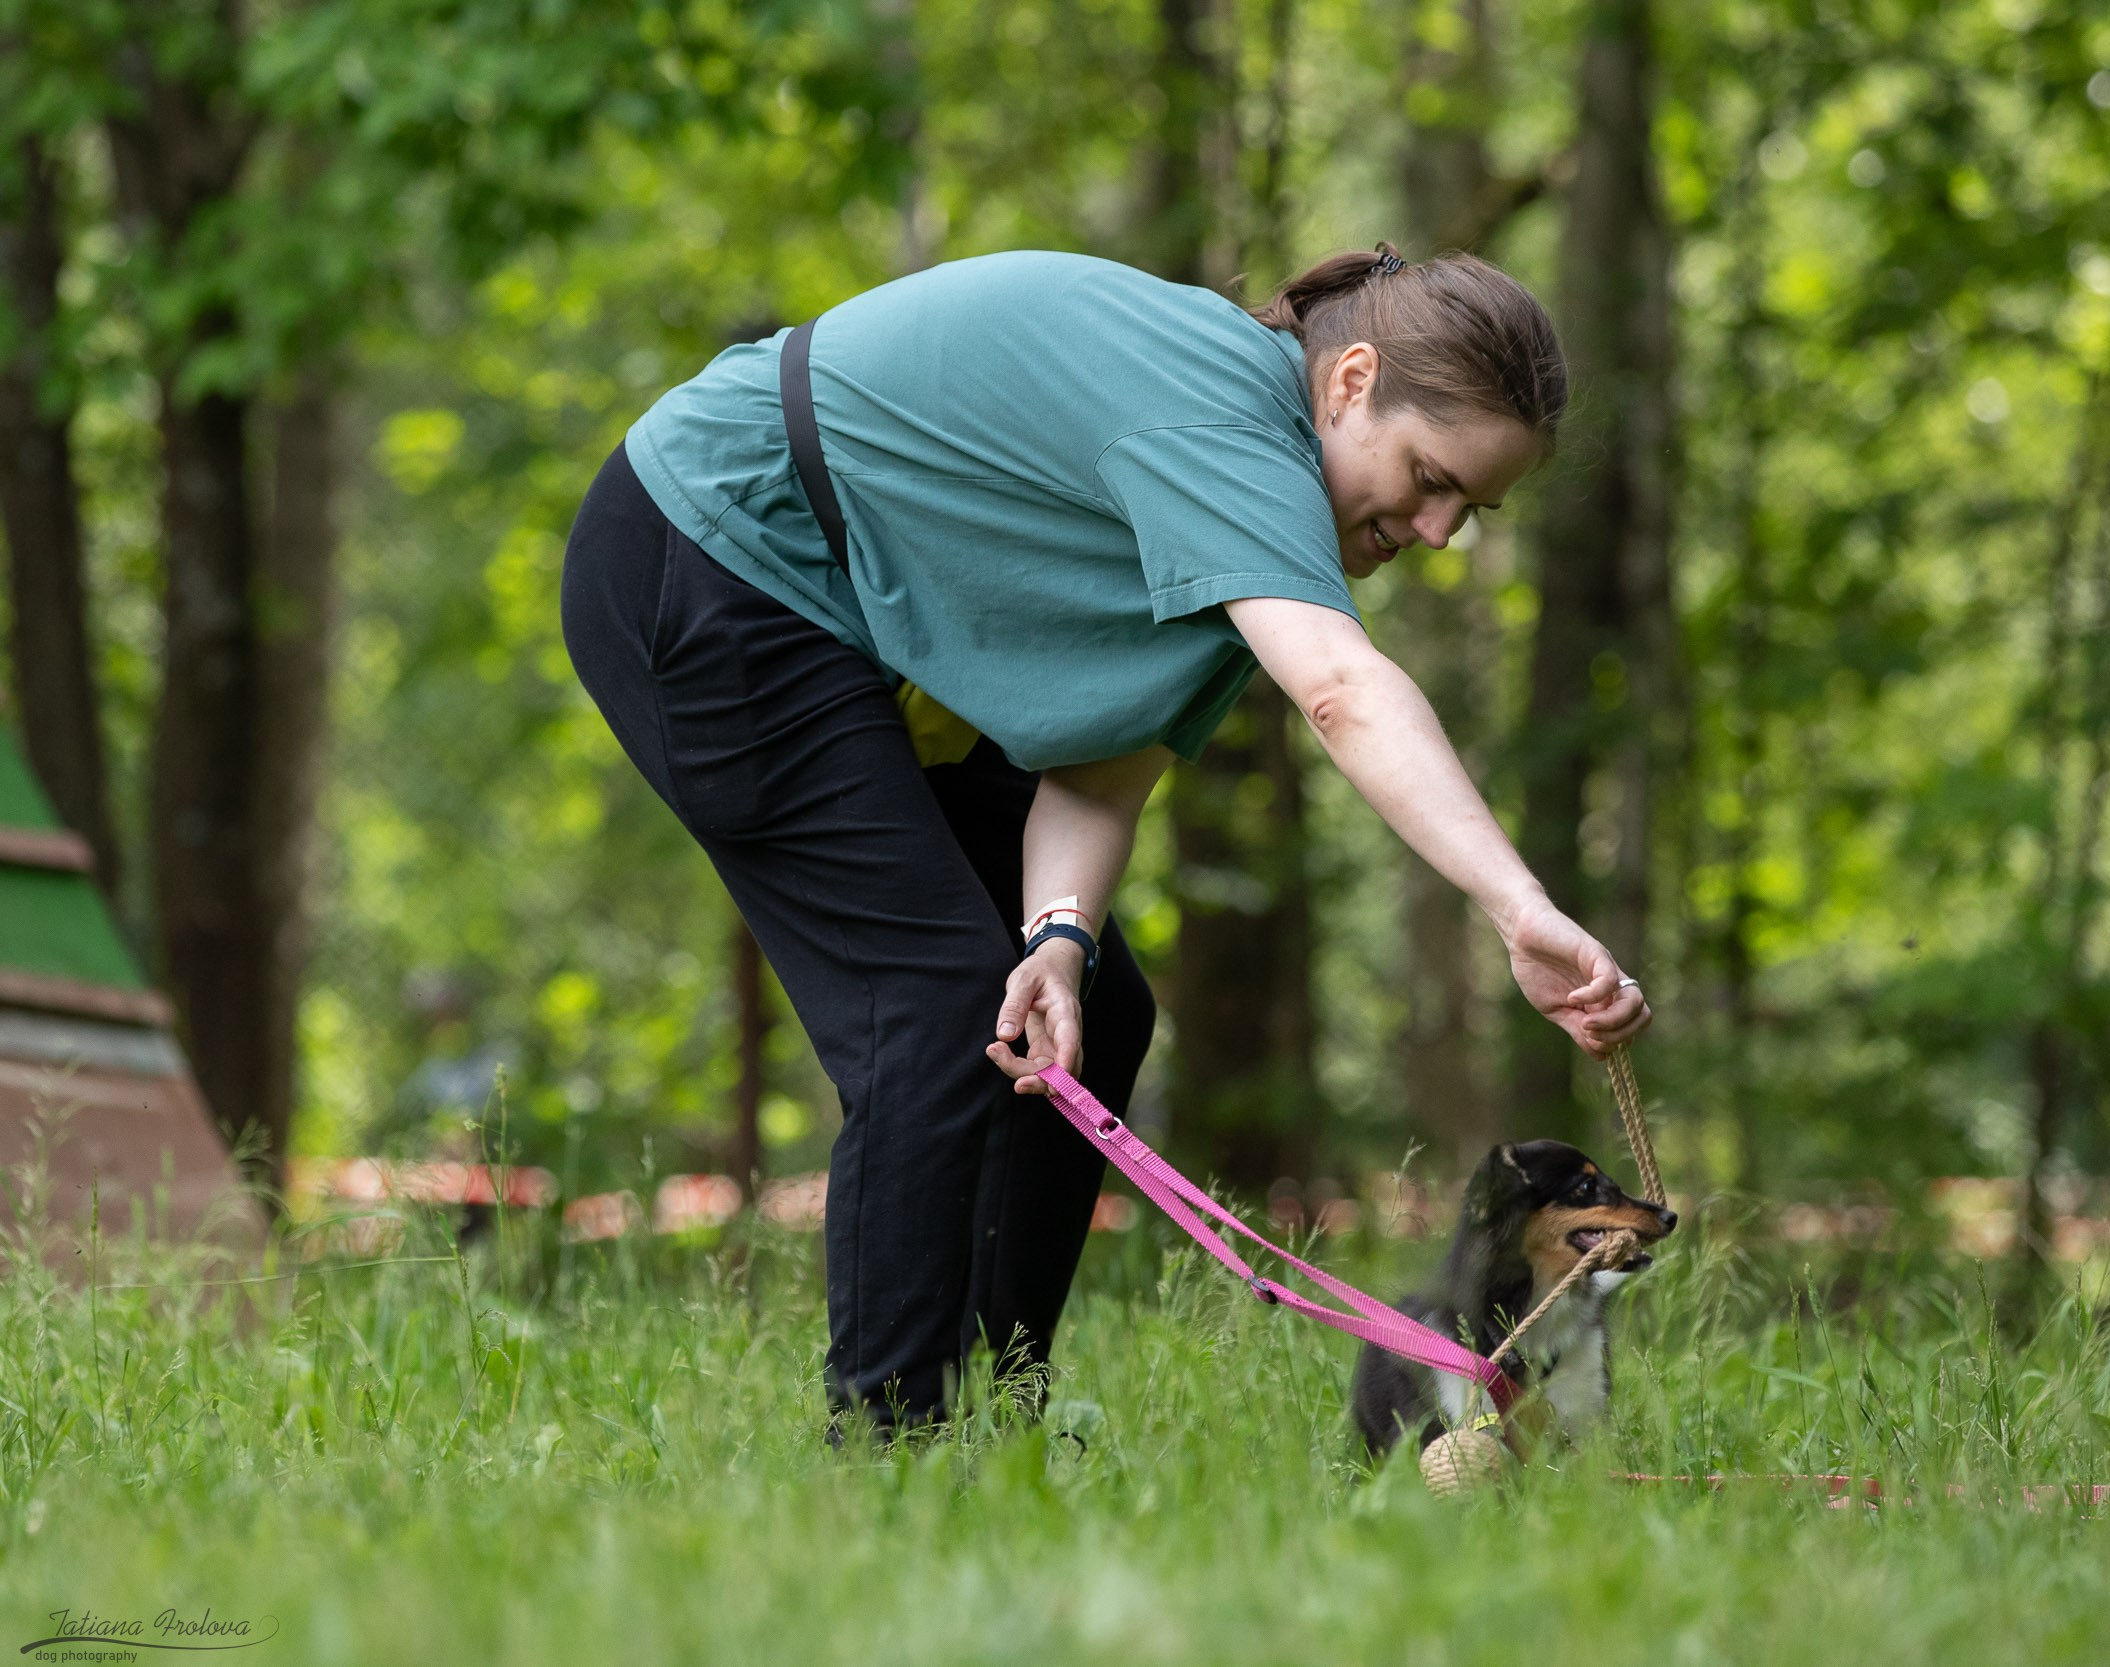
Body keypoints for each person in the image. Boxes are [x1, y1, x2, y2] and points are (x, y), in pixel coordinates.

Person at [559, 241, 1653, 1437]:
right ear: (1347, 383)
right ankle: (891, 1446)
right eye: (1429, 476)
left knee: (1086, 1011)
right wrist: (1517, 904)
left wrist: (1060, 937)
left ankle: (996, 1406)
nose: (1441, 530)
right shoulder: (1220, 417)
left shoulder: (1255, 500)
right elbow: (1342, 692)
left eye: (1471, 508)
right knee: (930, 1008)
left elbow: (1097, 769)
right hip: (712, 559)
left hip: (853, 632)